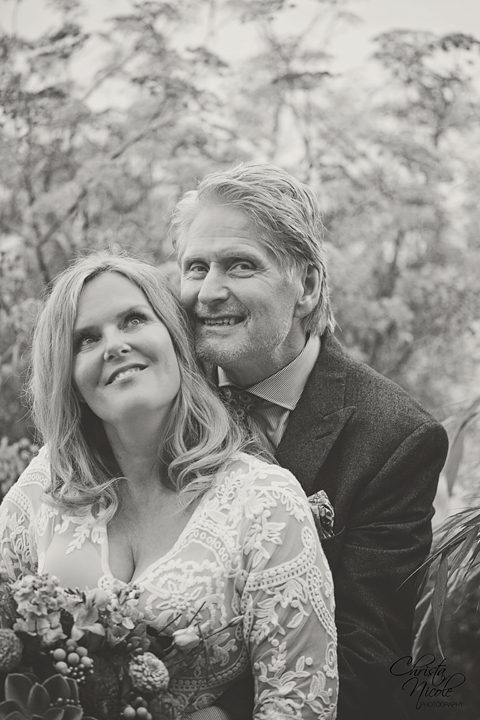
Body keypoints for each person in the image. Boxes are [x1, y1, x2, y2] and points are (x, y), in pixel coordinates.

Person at [0, 252, 338, 720]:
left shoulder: (266, 503)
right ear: (68, 376)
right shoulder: (44, 486)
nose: (114, 345)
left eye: (134, 320)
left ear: (176, 339)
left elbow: (298, 705)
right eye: (86, 339)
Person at [169, 162, 449, 720]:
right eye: (196, 267)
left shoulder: (396, 437)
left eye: (241, 265)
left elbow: (369, 653)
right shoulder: (159, 395)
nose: (209, 291)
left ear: (308, 286)